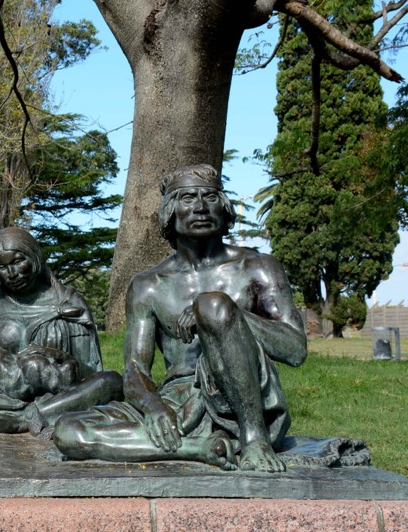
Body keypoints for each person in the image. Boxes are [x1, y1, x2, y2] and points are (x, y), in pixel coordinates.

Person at [52, 164, 307, 472]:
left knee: (212, 305)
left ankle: (254, 441)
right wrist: (153, 406)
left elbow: (295, 350)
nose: (200, 207)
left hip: (242, 403)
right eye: (188, 198)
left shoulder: (258, 267)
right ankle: (200, 449)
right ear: (170, 212)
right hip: (178, 400)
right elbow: (135, 370)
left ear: (224, 208)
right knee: (67, 431)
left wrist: (230, 314)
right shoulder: (148, 285)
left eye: (209, 197)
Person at [0, 227, 122, 435]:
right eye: (2, 267)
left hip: (57, 397)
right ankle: (24, 417)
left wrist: (55, 356)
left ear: (33, 257)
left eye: (18, 262)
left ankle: (20, 421)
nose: (12, 273)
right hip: (3, 399)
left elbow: (90, 372)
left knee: (110, 382)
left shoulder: (69, 303)